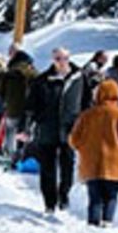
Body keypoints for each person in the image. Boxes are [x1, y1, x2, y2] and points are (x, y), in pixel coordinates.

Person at [28, 48, 89, 214]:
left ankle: (64, 195)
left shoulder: (79, 78)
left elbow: (86, 103)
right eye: (57, 59)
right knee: (47, 168)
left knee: (67, 165)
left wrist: (82, 123)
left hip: (70, 130)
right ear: (52, 60)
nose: (61, 62)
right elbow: (31, 106)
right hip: (47, 129)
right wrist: (29, 126)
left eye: (64, 58)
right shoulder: (42, 80)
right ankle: (49, 202)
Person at [69, 78, 118, 227]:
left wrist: (83, 148)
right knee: (112, 195)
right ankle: (107, 220)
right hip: (116, 162)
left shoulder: (87, 115)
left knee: (94, 196)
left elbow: (74, 139)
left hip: (91, 162)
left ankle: (93, 223)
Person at [0, 49, 36, 158]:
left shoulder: (8, 74)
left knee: (10, 133)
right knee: (24, 134)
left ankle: (8, 155)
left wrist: (7, 100)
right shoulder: (33, 74)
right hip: (27, 110)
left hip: (11, 109)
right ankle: (21, 156)